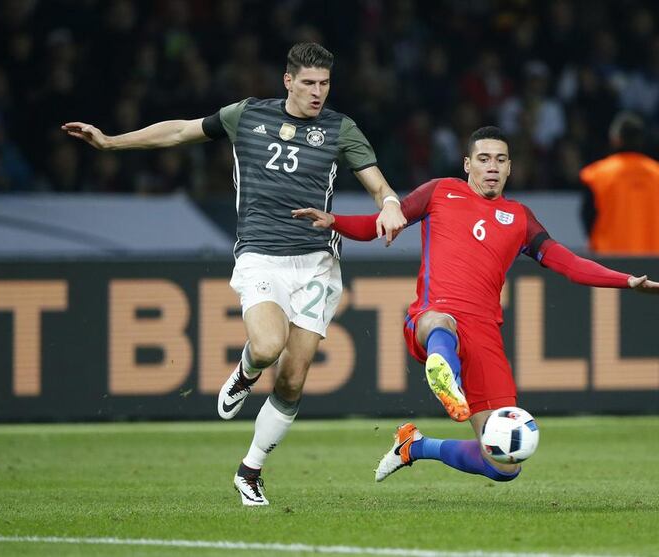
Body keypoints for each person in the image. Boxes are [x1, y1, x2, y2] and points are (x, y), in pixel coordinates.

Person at [62, 43, 406, 506]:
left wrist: (388, 205)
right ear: (288, 81)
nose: (317, 93)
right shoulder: (246, 115)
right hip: (261, 255)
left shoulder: (340, 129)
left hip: (317, 263)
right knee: (267, 346)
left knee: (293, 379)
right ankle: (246, 373)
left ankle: (250, 470)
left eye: (324, 84)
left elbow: (379, 185)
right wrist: (111, 141)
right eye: (308, 83)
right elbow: (181, 130)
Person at [293, 126, 659, 484]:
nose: (492, 167)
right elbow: (380, 223)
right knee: (439, 323)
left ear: (510, 167)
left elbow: (569, 264)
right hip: (432, 317)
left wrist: (626, 281)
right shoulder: (440, 192)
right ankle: (445, 370)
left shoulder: (520, 220)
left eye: (500, 160)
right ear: (467, 164)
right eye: (484, 158)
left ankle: (415, 446)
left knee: (503, 464)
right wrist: (334, 221)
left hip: (485, 337)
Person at [580, 111, 659, 256]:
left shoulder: (597, 175)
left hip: (611, 261)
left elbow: (588, 216)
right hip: (655, 260)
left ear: (616, 139)